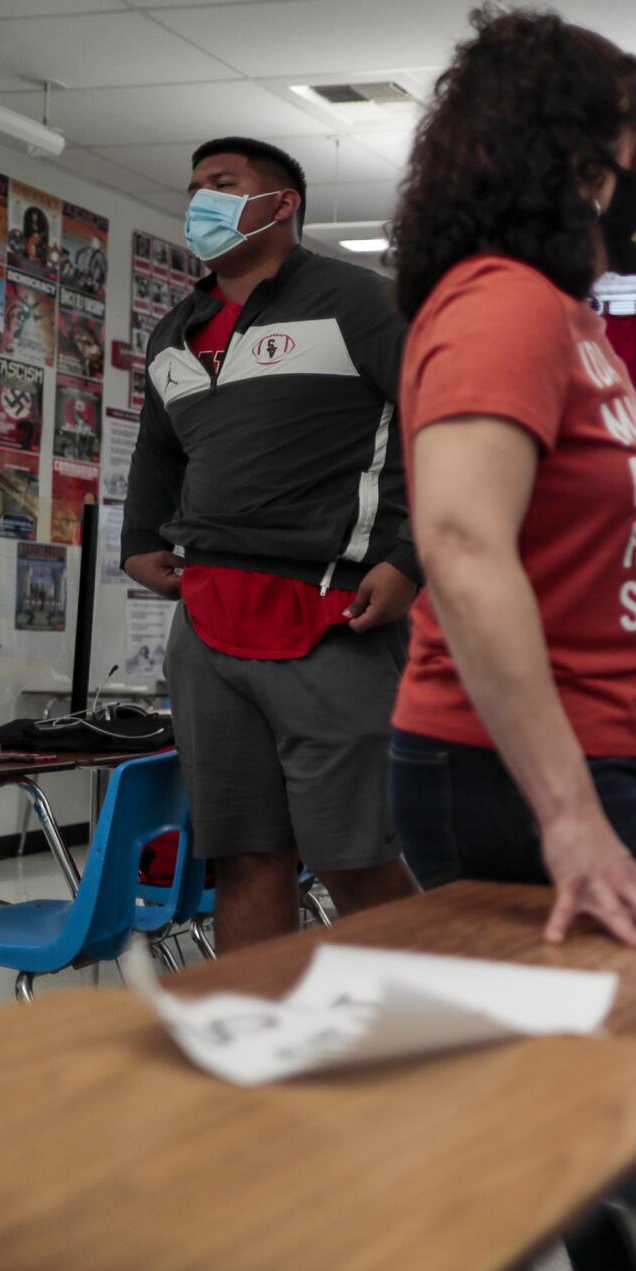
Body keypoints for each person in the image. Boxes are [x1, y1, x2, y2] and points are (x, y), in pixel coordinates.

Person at [383, 11, 636, 1271]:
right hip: (515, 777)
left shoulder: (571, 315)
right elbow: (462, 545)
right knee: (590, 1131)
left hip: (586, 763)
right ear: (574, 160)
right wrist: (570, 816)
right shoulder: (500, 305)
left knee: (570, 1128)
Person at [122, 135, 420, 954]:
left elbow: (451, 428)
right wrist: (140, 538)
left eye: (222, 184)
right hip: (207, 624)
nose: (199, 203)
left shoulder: (362, 302)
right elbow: (158, 449)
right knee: (245, 855)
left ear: (282, 204)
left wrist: (408, 561)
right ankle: (260, 1058)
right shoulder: (174, 333)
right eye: (192, 188)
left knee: (355, 857)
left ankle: (432, 1050)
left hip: (332, 611)